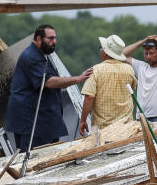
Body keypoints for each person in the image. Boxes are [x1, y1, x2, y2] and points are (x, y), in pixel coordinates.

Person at [5, 24, 93, 152]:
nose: (54, 42)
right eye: (50, 39)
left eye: (55, 38)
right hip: (32, 123)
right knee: (34, 159)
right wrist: (77, 79)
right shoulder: (31, 56)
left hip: (44, 121)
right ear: (39, 39)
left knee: (48, 156)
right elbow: (49, 82)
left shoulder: (42, 55)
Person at [79, 34, 137, 135]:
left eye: (101, 48)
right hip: (126, 128)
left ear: (105, 52)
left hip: (102, 129)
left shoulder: (95, 70)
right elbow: (131, 90)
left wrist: (83, 120)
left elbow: (89, 97)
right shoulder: (129, 70)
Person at [122, 34, 157, 121]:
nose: (148, 57)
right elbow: (121, 55)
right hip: (141, 117)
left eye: (151, 53)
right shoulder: (141, 67)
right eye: (146, 53)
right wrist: (142, 42)